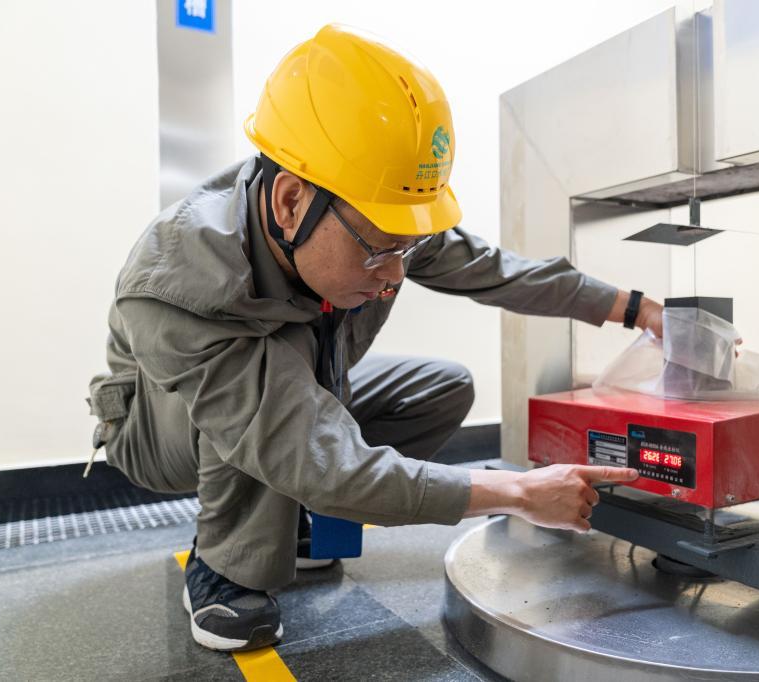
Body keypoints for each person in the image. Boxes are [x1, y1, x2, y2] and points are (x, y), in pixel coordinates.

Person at [87, 24, 663, 652]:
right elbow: (292, 434)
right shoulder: (182, 280)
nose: (393, 276)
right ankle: (224, 567)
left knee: (440, 387)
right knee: (278, 396)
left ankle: (299, 515)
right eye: (379, 251)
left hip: (280, 397)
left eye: (407, 249)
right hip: (155, 433)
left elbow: (492, 269)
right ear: (290, 202)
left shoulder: (371, 210)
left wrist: (636, 310)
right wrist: (519, 493)